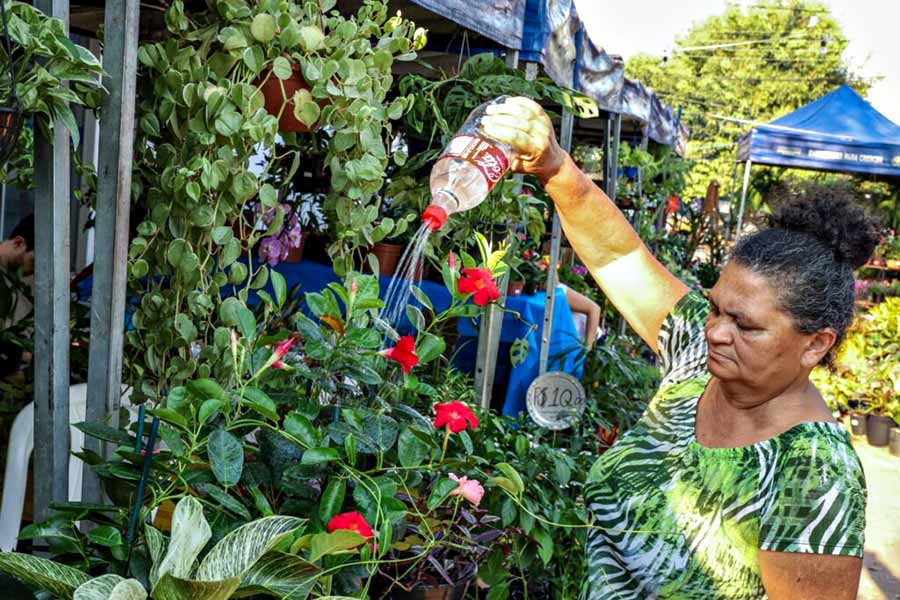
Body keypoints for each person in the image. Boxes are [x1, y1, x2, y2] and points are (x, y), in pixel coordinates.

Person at [482, 97, 874, 600]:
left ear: (815, 345)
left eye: (745, 325)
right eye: (715, 308)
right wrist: (554, 165)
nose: (716, 330)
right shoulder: (699, 356)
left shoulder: (814, 471)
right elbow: (620, 255)